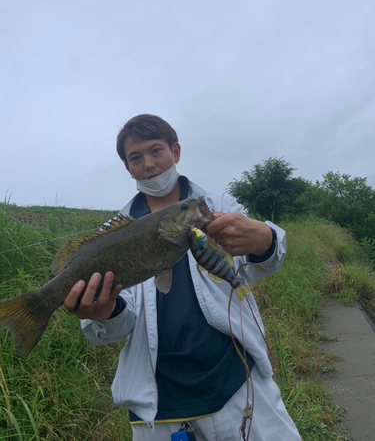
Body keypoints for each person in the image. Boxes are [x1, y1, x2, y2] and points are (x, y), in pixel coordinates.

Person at [64, 114, 301, 441]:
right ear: (128, 167)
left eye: (156, 150)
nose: (148, 164)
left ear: (176, 151)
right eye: (136, 157)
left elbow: (263, 261)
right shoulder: (113, 234)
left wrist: (265, 239)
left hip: (237, 385)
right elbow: (114, 326)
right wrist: (104, 313)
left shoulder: (216, 206)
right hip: (160, 408)